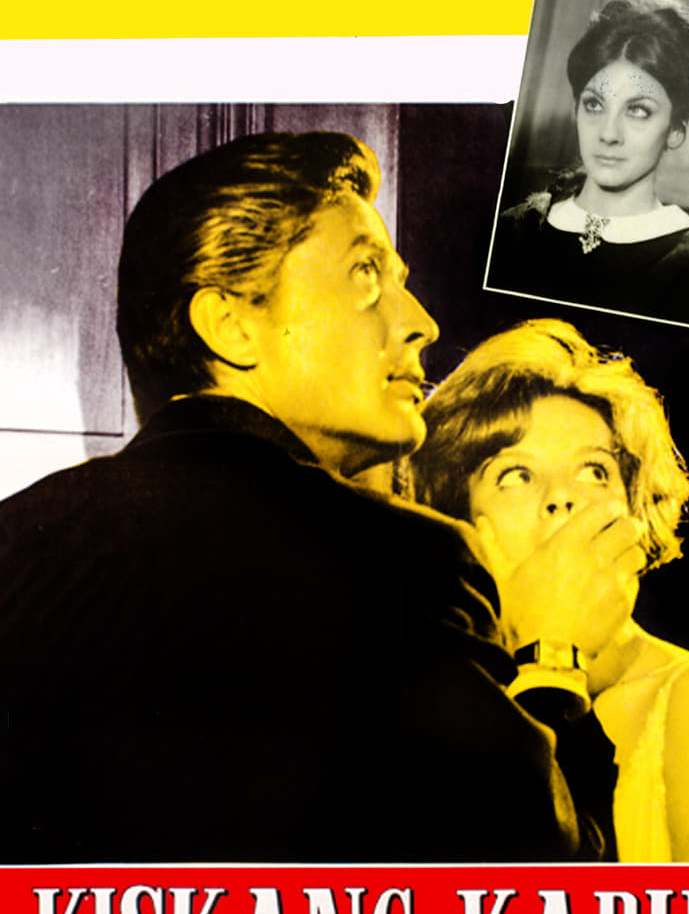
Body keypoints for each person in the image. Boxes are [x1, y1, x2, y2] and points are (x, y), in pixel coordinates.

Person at [0, 132, 634, 863]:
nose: (420, 323)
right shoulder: (406, 561)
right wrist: (554, 662)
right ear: (232, 327)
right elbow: (538, 899)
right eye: (367, 275)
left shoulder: (15, 540)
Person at [411, 318, 689, 861]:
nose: (562, 498)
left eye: (592, 471)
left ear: (634, 506)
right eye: (516, 475)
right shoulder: (453, 703)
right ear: (458, 514)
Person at [488, 0, 689, 328]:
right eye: (594, 105)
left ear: (675, 130)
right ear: (575, 110)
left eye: (638, 110)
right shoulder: (510, 231)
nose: (608, 133)